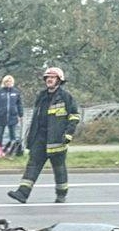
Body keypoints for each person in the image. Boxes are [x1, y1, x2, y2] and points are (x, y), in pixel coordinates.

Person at [7, 67, 80, 204]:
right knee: (33, 165)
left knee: (59, 168)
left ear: (59, 80)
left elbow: (74, 116)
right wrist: (30, 137)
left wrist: (69, 133)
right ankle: (22, 193)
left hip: (57, 138)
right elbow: (36, 118)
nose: (49, 80)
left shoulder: (65, 97)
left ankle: (61, 194)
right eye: (47, 77)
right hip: (40, 137)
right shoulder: (41, 96)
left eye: (52, 77)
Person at [0, 75, 24, 150]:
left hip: (12, 116)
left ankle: (12, 149)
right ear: (4, 82)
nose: (8, 83)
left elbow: (19, 103)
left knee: (13, 135)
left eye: (10, 81)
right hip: (1, 116)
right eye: (7, 81)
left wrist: (21, 114)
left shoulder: (16, 92)